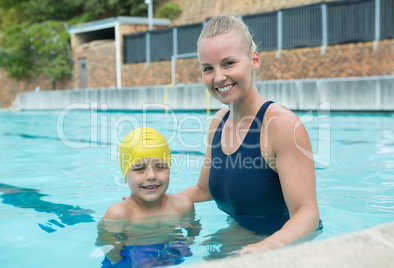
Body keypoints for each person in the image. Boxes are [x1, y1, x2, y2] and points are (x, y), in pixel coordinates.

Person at [178, 14, 322, 255]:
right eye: (208, 68)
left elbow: (307, 213)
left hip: (288, 247)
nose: (218, 77)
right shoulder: (218, 122)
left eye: (228, 63)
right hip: (243, 236)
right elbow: (204, 190)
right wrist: (152, 203)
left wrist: (267, 247)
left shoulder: (281, 125)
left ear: (254, 60)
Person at [97, 127, 196, 267]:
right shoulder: (119, 213)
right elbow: (106, 241)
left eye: (160, 166)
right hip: (128, 256)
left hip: (169, 250)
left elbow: (193, 229)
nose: (151, 176)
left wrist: (188, 240)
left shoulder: (183, 205)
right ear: (125, 176)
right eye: (139, 169)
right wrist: (118, 262)